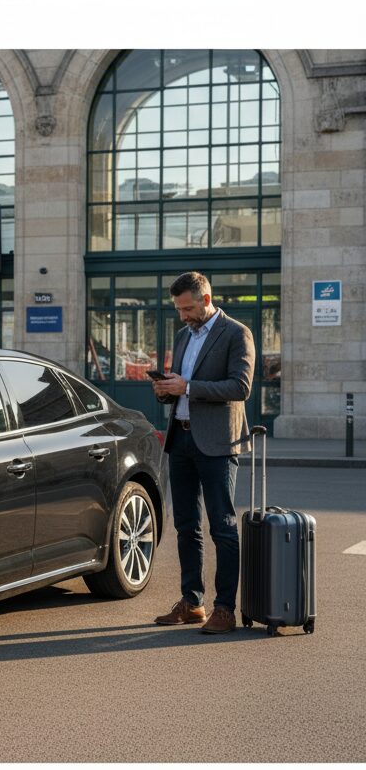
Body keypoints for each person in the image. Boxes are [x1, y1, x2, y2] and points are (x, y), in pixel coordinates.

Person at [152, 271, 255, 635]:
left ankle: (224, 609)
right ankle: (192, 602)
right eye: (178, 310)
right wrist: (167, 389)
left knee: (223, 528)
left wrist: (188, 386)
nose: (182, 316)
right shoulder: (183, 336)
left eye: (188, 308)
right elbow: (180, 385)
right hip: (180, 440)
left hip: (217, 443)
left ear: (206, 299)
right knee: (185, 527)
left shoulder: (236, 333)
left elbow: (240, 386)